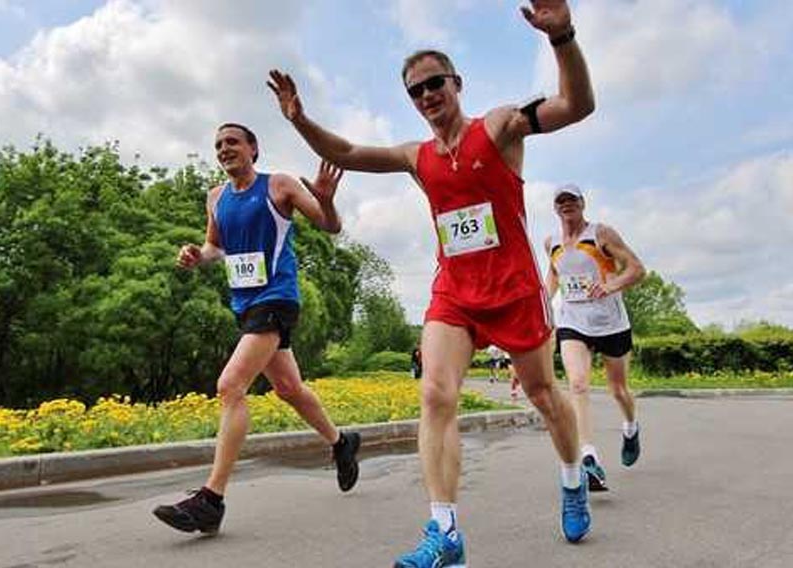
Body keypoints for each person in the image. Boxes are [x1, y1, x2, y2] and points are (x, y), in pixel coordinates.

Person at [268, 1, 595, 564]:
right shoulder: (416, 157)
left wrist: (562, 36)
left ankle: (572, 478)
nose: (426, 96)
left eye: (434, 83)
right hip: (456, 293)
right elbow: (344, 152)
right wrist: (299, 119)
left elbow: (577, 105)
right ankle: (445, 532)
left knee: (544, 394)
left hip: (515, 289)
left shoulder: (499, 126)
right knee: (435, 394)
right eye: (415, 91)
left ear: (456, 83)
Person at [152, 123, 362, 535]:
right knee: (288, 388)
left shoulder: (279, 185)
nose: (224, 149)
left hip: (277, 297)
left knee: (230, 385)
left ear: (253, 148)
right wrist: (197, 255)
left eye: (232, 141)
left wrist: (326, 201)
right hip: (245, 303)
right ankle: (342, 443)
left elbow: (329, 225)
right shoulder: (216, 197)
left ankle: (211, 500)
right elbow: (216, 246)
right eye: (218, 144)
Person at [545, 183, 645, 493]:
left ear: (582, 203)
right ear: (555, 208)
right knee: (577, 383)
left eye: (572, 200)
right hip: (572, 321)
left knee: (618, 390)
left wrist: (611, 286)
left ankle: (631, 427)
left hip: (610, 323)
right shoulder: (551, 242)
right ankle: (589, 456)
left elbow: (637, 269)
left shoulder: (601, 234)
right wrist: (542, 305)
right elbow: (554, 275)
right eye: (561, 201)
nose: (567, 205)